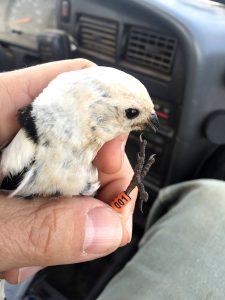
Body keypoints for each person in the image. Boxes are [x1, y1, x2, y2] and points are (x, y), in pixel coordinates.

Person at [1, 59, 225, 300]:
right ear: (92, 110)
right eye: (131, 113)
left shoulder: (77, 148)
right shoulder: (24, 149)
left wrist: (124, 195)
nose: (150, 123)